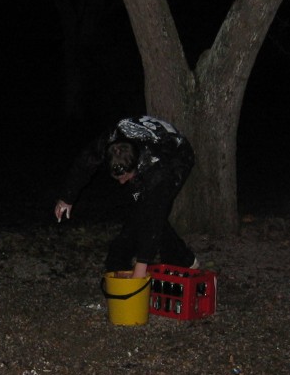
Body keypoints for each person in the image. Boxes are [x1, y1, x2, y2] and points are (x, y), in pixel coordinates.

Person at [54, 115, 197, 278]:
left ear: (137, 166)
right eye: (117, 178)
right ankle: (122, 263)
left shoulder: (158, 168)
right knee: (139, 211)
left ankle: (183, 261)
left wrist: (141, 265)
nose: (121, 183)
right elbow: (84, 163)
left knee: (151, 211)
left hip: (177, 155)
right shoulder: (108, 142)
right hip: (141, 143)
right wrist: (67, 198)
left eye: (124, 177)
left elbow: (155, 213)